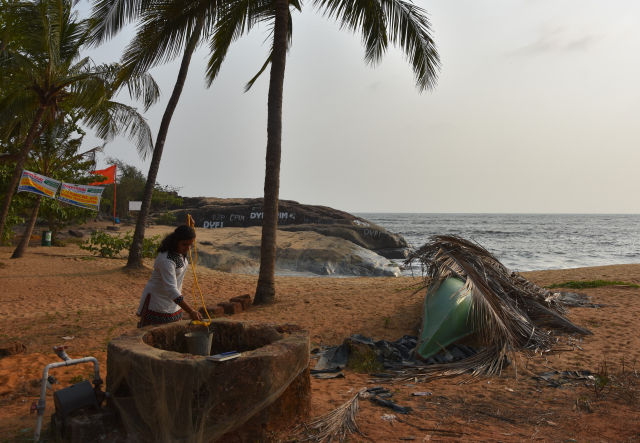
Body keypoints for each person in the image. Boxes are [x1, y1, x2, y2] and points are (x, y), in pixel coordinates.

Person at [136, 225, 203, 327]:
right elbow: (171, 289)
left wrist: (187, 226)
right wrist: (190, 311)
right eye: (185, 244)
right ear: (175, 241)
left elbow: (182, 235)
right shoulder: (166, 260)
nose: (188, 249)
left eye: (190, 245)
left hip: (173, 302)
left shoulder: (179, 252)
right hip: (157, 302)